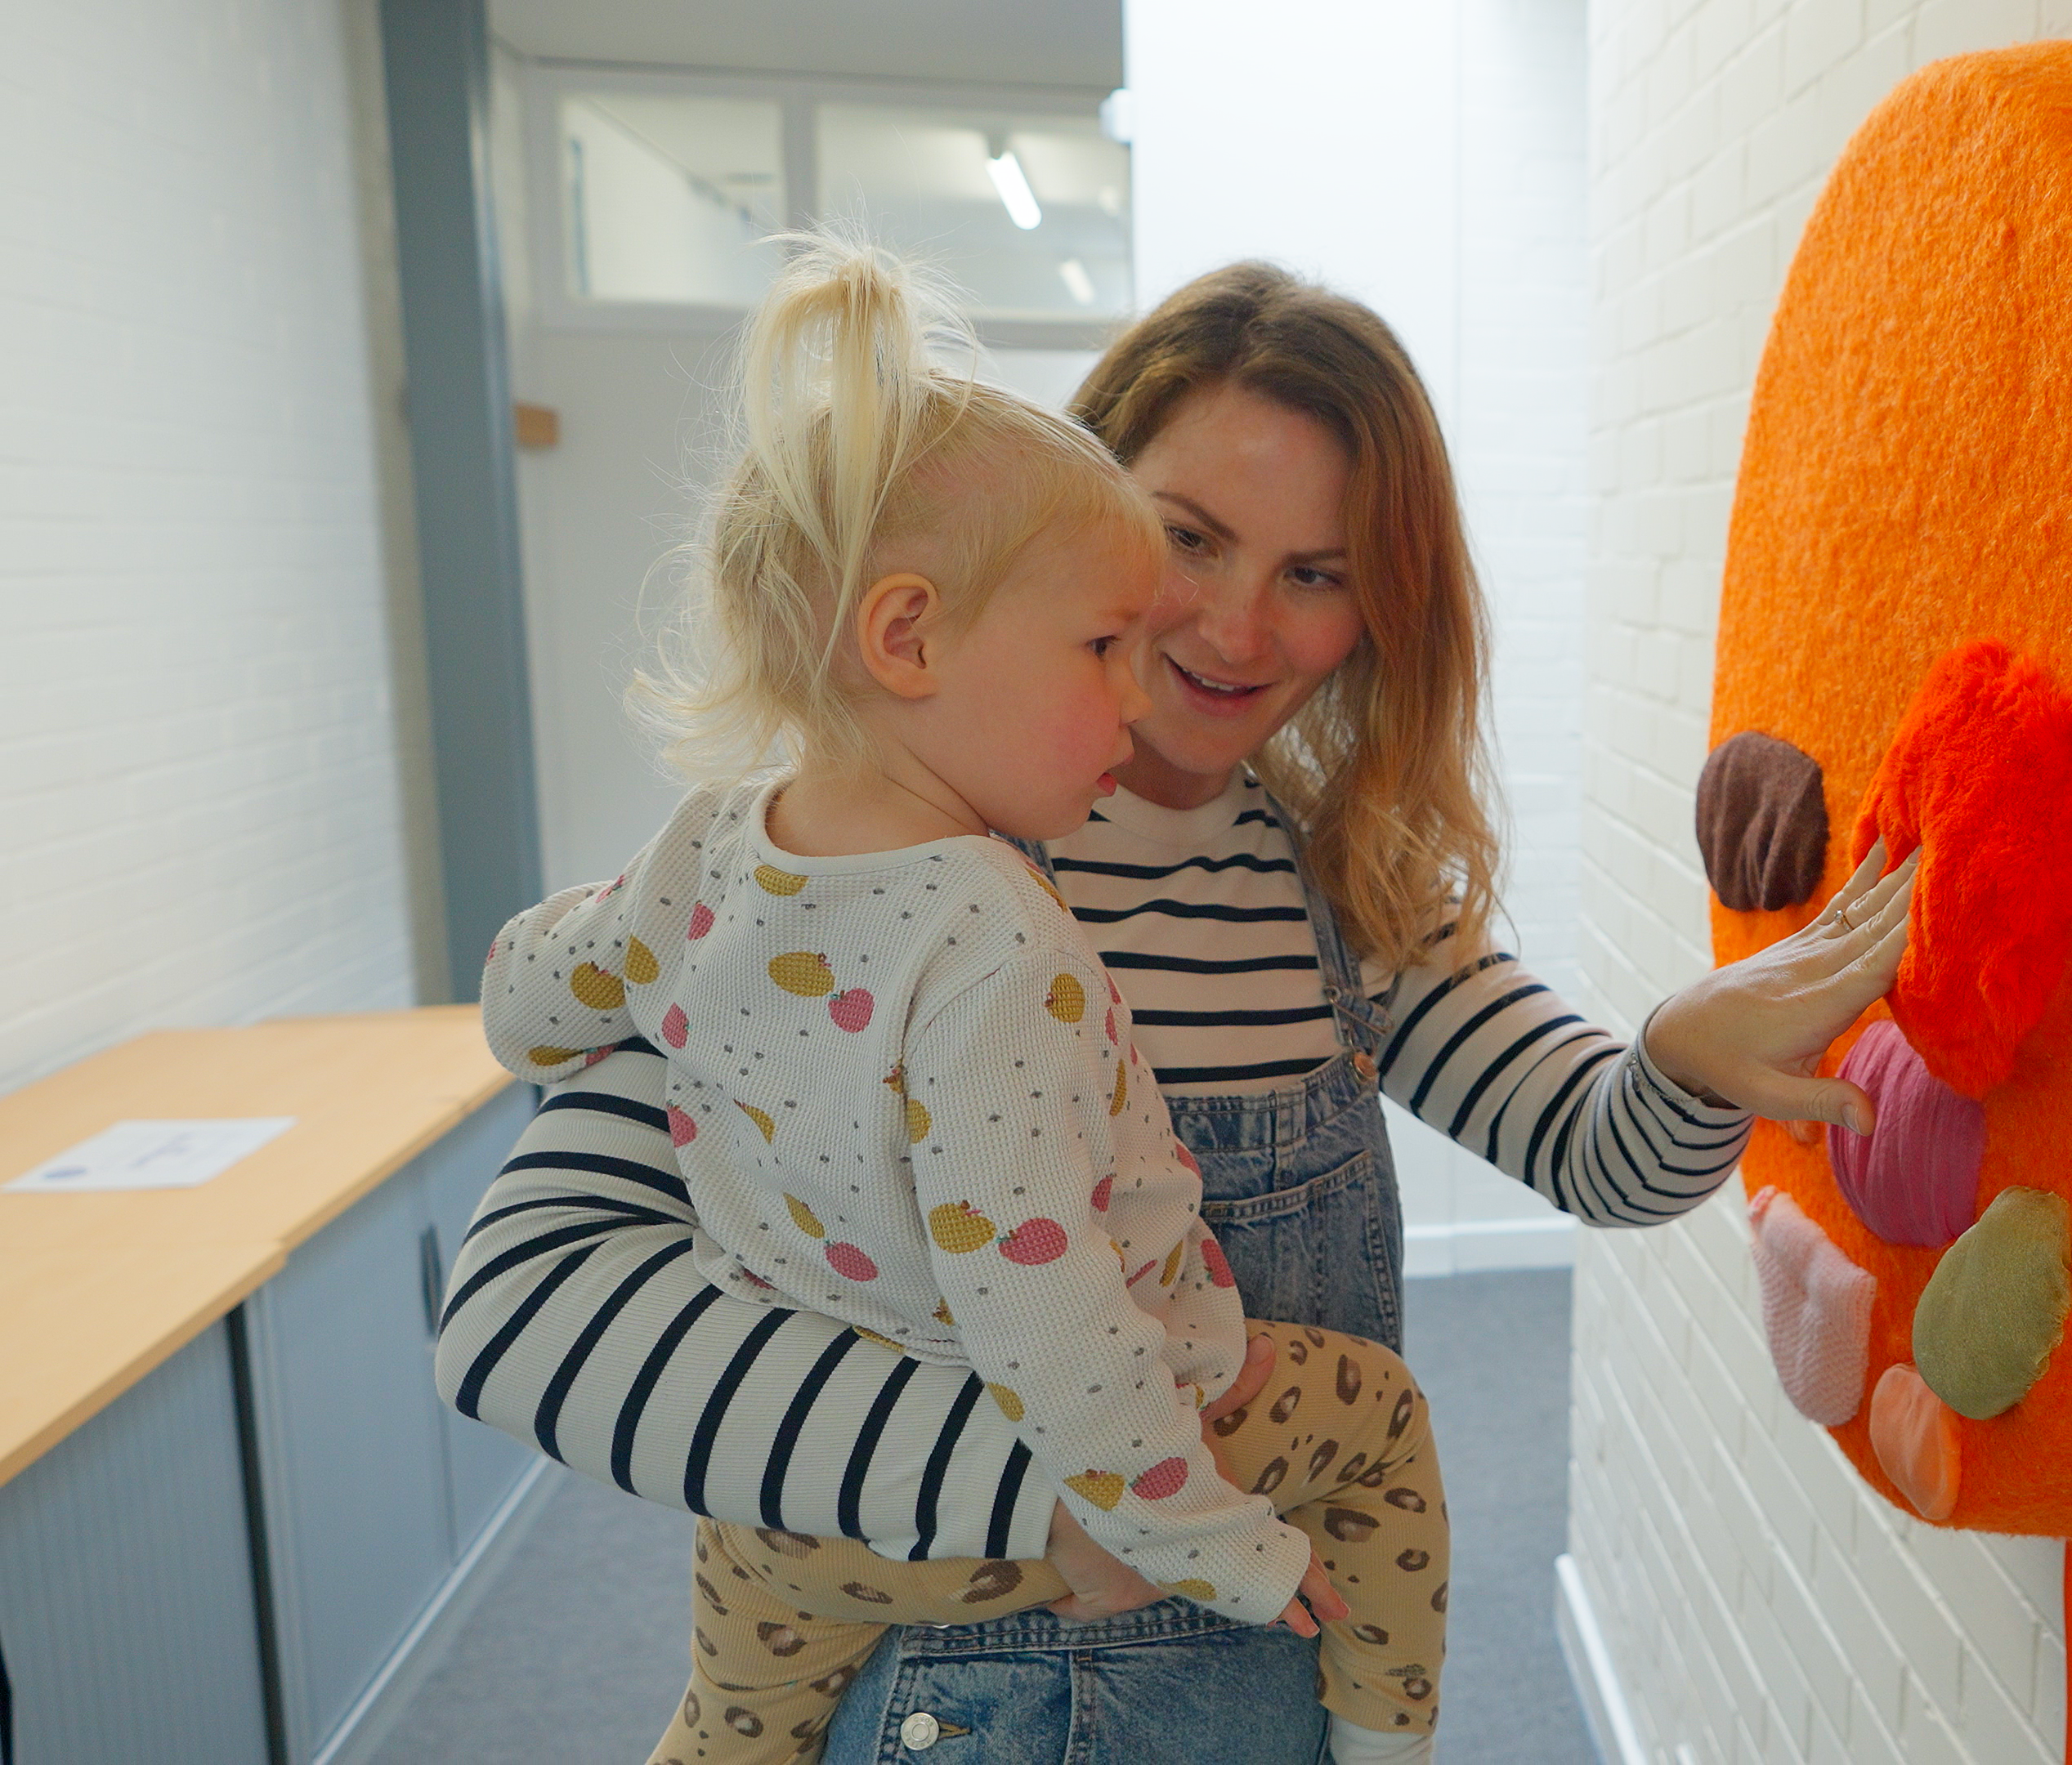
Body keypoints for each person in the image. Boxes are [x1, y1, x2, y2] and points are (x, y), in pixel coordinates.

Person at [436, 259, 1914, 1763]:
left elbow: (1608, 1160)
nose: (1232, 629)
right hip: (960, 1701)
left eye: (1318, 575)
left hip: (1263, 1696)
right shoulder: (848, 886)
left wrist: (1685, 1059)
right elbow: (525, 1321)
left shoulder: (1339, 885)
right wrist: (1073, 1503)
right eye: (1188, 541)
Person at [476, 237, 1452, 1764]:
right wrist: (1201, 1535)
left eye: (1316, 574)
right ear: (914, 635)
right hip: (1056, 1561)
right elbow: (1041, 1299)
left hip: (786, 1538)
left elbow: (534, 990)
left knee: (730, 1720)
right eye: (1112, 634)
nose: (1171, 670)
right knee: (1380, 1422)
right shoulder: (1007, 943)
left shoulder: (717, 847)